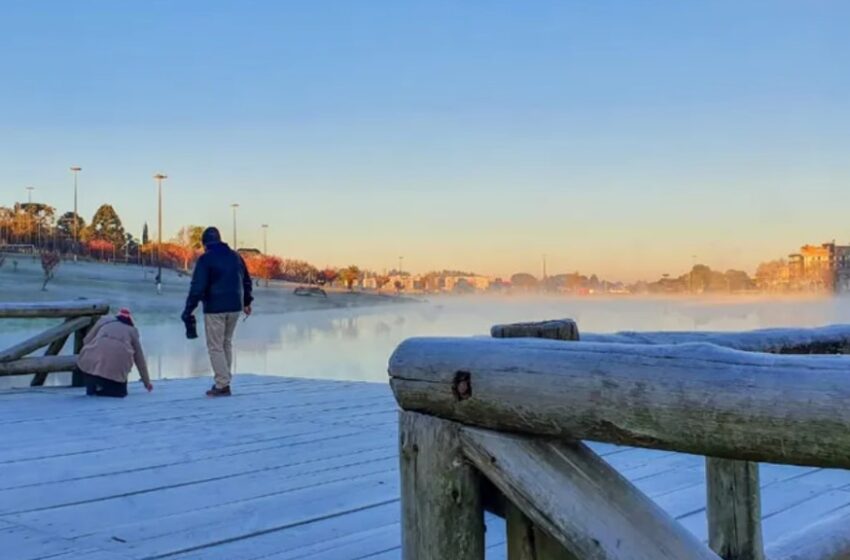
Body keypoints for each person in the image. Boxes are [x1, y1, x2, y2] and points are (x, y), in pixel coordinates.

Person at [182, 226, 253, 397]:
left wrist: (189, 309)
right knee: (226, 343)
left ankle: (222, 384)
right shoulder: (236, 256)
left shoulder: (205, 260)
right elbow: (246, 280)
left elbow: (197, 288)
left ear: (205, 243)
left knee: (215, 346)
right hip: (235, 306)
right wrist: (247, 301)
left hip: (215, 308)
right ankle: (225, 379)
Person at [76, 308, 153, 398]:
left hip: (92, 369)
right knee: (119, 392)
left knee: (91, 364)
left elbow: (86, 340)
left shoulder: (103, 321)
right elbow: (139, 359)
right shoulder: (132, 331)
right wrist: (147, 383)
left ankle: (94, 386)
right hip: (116, 376)